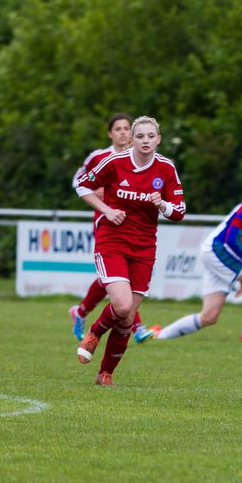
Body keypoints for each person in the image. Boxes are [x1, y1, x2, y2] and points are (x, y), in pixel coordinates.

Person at [74, 116, 186, 385]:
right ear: (131, 140)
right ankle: (94, 332)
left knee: (125, 321)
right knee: (122, 306)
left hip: (145, 247)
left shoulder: (166, 169)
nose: (145, 141)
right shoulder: (115, 163)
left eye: (151, 136)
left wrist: (162, 206)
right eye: (140, 136)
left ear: (158, 139)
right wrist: (107, 210)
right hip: (111, 241)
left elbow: (179, 212)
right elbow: (83, 185)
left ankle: (105, 374)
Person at [151, 179, 242, 344]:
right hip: (217, 250)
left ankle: (157, 335)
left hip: (227, 256)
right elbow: (231, 239)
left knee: (209, 317)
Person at [68, 112, 154, 344]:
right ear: (110, 133)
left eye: (127, 128)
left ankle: (82, 312)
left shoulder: (141, 157)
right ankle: (136, 326)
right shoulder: (99, 157)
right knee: (117, 279)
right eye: (119, 129)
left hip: (135, 226)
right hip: (107, 223)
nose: (124, 132)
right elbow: (79, 181)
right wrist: (98, 193)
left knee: (112, 281)